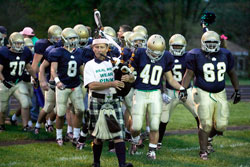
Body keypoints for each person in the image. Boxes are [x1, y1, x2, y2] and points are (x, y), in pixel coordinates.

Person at [182, 30, 241, 160]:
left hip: (220, 92)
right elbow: (189, 74)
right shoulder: (195, 55)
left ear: (219, 43)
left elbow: (232, 73)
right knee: (206, 123)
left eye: (214, 42)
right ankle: (203, 151)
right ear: (203, 43)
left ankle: (208, 138)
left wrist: (237, 90)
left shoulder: (225, 54)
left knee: (221, 125)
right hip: (202, 91)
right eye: (208, 42)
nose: (211, 45)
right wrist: (183, 89)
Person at [129, 34, 186, 159]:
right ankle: (134, 140)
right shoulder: (140, 53)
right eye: (153, 52)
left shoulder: (166, 56)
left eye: (158, 52)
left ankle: (152, 151)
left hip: (155, 93)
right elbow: (131, 71)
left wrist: (181, 88)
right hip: (139, 91)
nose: (155, 55)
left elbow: (170, 79)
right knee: (136, 126)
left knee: (155, 125)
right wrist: (129, 76)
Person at [84, 38, 133, 167]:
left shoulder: (115, 62)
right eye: (97, 47)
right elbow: (92, 86)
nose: (99, 50)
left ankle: (122, 164)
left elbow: (132, 76)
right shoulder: (89, 65)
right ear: (93, 49)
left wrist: (129, 77)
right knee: (98, 136)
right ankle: (96, 163)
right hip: (97, 100)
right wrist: (111, 83)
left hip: (113, 100)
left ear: (107, 49)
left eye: (102, 47)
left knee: (118, 135)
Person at [157, 34, 199, 149]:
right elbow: (160, 75)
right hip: (171, 91)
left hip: (187, 90)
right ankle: (158, 142)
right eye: (174, 46)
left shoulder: (189, 56)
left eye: (179, 46)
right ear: (170, 46)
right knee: (163, 118)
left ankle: (207, 141)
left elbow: (193, 73)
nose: (177, 49)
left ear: (184, 46)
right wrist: (162, 91)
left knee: (199, 115)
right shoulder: (165, 56)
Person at [50, 28, 85, 149]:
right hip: (63, 86)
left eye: (75, 38)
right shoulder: (58, 52)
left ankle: (76, 136)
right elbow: (53, 70)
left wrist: (86, 80)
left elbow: (81, 68)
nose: (73, 40)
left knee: (80, 110)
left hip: (75, 85)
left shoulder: (79, 52)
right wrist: (57, 81)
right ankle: (59, 136)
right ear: (64, 39)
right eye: (71, 38)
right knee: (60, 113)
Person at [0, 32, 38, 132]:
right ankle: (1, 125)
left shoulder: (25, 52)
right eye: (17, 43)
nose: (19, 45)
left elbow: (28, 68)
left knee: (25, 103)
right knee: (3, 107)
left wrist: (35, 78)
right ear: (11, 43)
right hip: (5, 83)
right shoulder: (4, 52)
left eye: (21, 43)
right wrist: (3, 81)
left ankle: (26, 126)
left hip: (18, 83)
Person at [34, 25, 63, 135]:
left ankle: (49, 122)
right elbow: (41, 66)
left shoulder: (72, 51)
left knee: (60, 107)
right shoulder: (51, 50)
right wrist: (40, 80)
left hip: (63, 81)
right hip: (51, 81)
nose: (59, 41)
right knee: (48, 106)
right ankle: (37, 125)